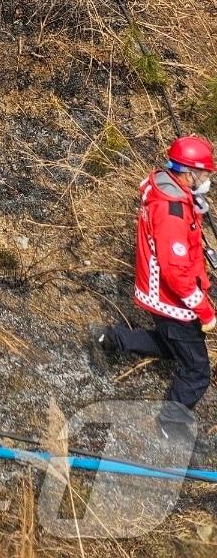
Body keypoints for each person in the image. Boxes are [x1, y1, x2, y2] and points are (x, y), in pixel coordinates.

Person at [90, 135, 216, 434]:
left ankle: (111, 339)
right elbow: (175, 270)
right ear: (188, 173)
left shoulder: (169, 193)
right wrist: (205, 311)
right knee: (197, 370)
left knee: (176, 347)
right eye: (206, 174)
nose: (209, 179)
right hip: (172, 299)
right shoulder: (173, 210)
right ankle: (170, 426)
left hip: (160, 294)